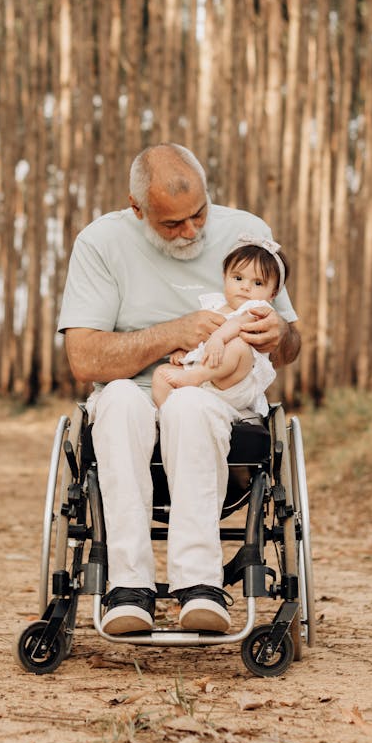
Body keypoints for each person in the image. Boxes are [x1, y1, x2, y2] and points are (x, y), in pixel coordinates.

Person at [57, 144, 301, 636]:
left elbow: (291, 344)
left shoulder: (246, 233)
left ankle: (200, 585)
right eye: (172, 224)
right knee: (122, 399)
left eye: (199, 215)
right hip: (133, 397)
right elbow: (84, 359)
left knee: (190, 403)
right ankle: (129, 587)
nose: (191, 232)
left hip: (217, 404)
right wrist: (174, 332)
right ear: (136, 208)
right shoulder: (100, 243)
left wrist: (280, 334)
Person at [150, 236, 290, 416]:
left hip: (233, 383)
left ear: (273, 293)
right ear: (225, 277)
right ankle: (166, 417)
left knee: (239, 345)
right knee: (161, 374)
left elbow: (237, 324)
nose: (245, 287)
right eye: (238, 278)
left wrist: (217, 337)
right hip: (205, 382)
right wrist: (185, 353)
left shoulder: (258, 310)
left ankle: (197, 375)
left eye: (257, 283)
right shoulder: (214, 306)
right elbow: (199, 338)